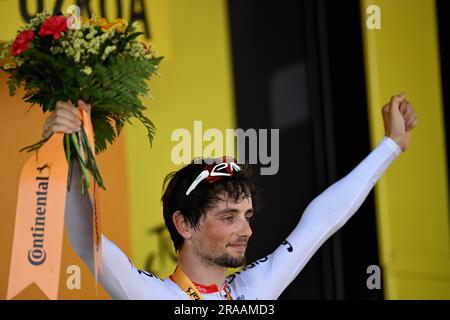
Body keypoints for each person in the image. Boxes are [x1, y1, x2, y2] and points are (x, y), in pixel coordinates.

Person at [42, 94, 418, 300]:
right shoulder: (151, 296)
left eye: (248, 215)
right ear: (183, 224)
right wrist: (71, 152)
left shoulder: (253, 291)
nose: (246, 230)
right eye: (228, 217)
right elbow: (84, 239)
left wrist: (391, 146)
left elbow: (320, 222)